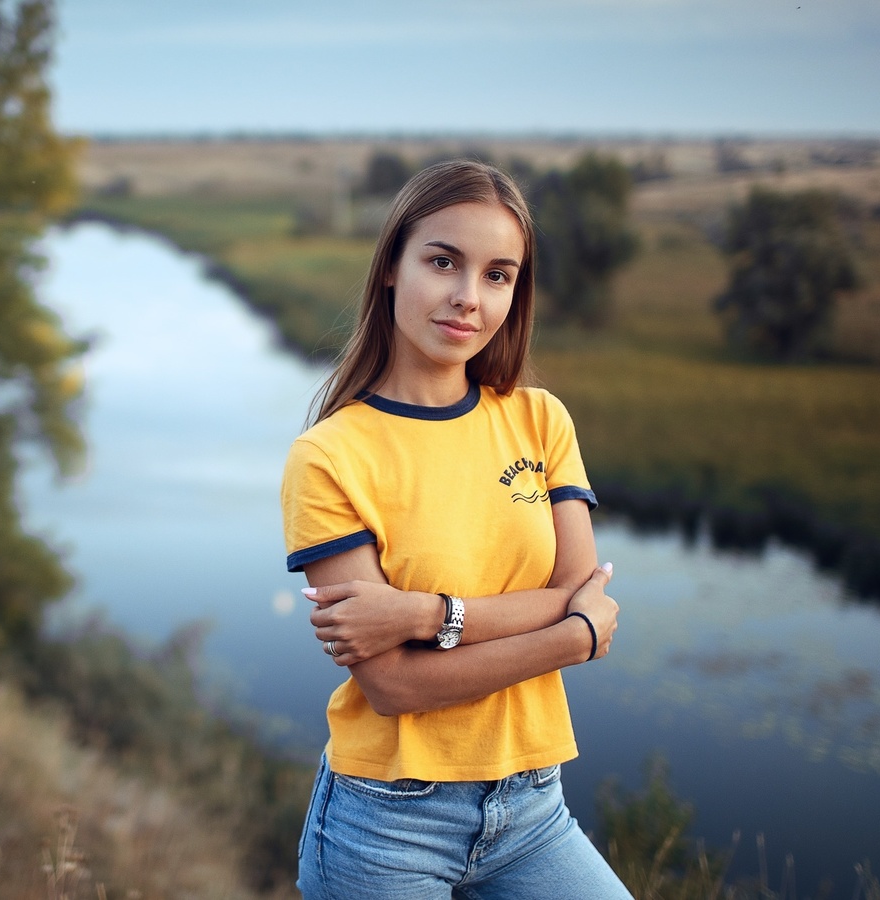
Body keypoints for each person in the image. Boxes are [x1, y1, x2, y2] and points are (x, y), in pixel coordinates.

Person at [280, 159, 629, 899]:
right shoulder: (330, 457)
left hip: (534, 808)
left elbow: (580, 585)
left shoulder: (541, 420)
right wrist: (570, 637)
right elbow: (396, 685)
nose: (469, 298)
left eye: (498, 274)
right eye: (444, 262)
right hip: (388, 825)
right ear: (391, 269)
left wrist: (418, 614)